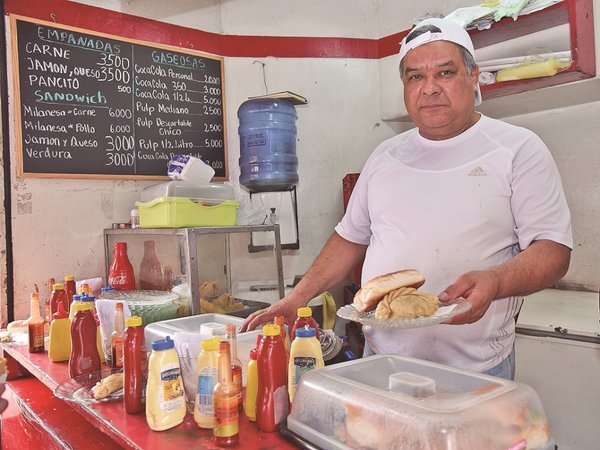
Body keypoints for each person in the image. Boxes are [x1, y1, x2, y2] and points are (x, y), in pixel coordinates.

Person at [242, 17, 572, 380]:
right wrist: (296, 299)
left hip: (475, 370)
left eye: (445, 73)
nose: (429, 88)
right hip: (381, 360)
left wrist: (497, 280)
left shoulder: (517, 149)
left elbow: (553, 251)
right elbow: (350, 237)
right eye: (415, 76)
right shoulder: (385, 156)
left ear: (473, 76)